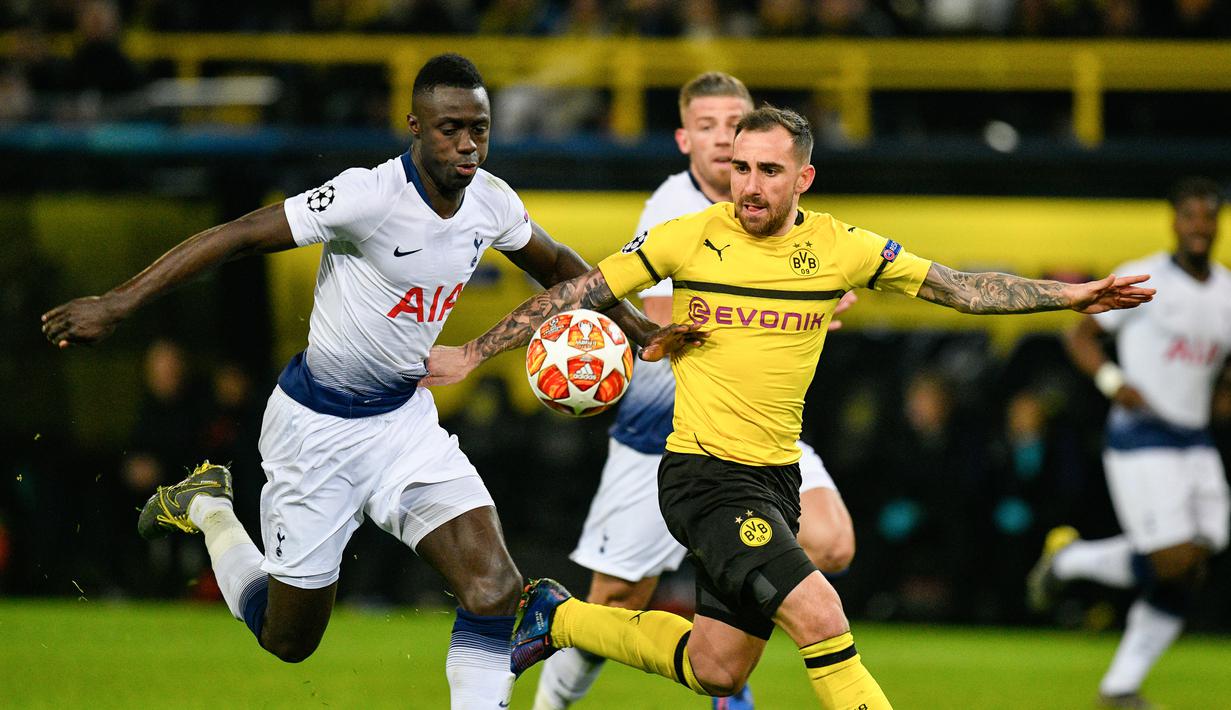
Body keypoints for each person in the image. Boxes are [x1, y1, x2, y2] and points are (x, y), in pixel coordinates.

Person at [425, 105, 1155, 708]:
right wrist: (475, 352)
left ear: (802, 177)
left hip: (774, 479)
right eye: (739, 167)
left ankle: (560, 616)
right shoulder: (688, 238)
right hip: (702, 477)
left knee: (718, 668)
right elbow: (574, 291)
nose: (748, 185)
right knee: (820, 614)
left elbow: (959, 287)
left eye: (768, 171)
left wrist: (1071, 296)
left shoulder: (838, 248)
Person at [39, 54, 682, 710]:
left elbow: (559, 266)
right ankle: (209, 509)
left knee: (493, 587)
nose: (467, 145)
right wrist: (118, 302)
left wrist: (635, 327)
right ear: (414, 125)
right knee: (287, 638)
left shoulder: (490, 201)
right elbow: (237, 236)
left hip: (403, 424)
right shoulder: (366, 196)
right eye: (450, 128)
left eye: (479, 130)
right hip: (314, 430)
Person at [532, 72, 856, 710]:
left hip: (759, 442)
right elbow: (657, 307)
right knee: (614, 606)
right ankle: (551, 699)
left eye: (733, 125)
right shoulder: (673, 209)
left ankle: (728, 658)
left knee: (831, 540)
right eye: (705, 126)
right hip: (660, 438)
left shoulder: (778, 213)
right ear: (684, 138)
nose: (721, 139)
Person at [1028, 177, 1229, 710]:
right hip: (1142, 439)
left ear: (1218, 221)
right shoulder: (1148, 278)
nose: (1200, 225)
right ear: (1175, 221)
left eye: (1208, 216)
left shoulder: (1227, 291)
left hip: (1195, 439)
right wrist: (1115, 383)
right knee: (1172, 561)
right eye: (1190, 215)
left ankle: (1120, 688)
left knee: (1199, 560)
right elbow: (1080, 335)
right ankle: (1071, 563)